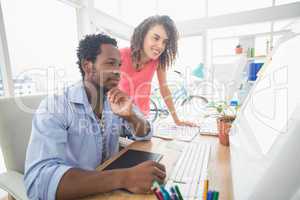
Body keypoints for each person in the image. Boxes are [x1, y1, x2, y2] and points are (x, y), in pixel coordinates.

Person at [24, 34, 166, 200]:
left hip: (110, 192)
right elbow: (39, 182)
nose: (118, 72)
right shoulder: (55, 107)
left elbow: (146, 133)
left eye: (119, 65)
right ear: (88, 66)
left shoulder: (114, 99)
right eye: (110, 63)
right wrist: (126, 177)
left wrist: (131, 117)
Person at [118, 15, 196, 126]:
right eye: (155, 38)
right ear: (143, 35)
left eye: (164, 42)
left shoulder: (158, 62)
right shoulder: (120, 55)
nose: (160, 46)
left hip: (142, 119)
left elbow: (164, 89)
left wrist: (177, 120)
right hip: (119, 119)